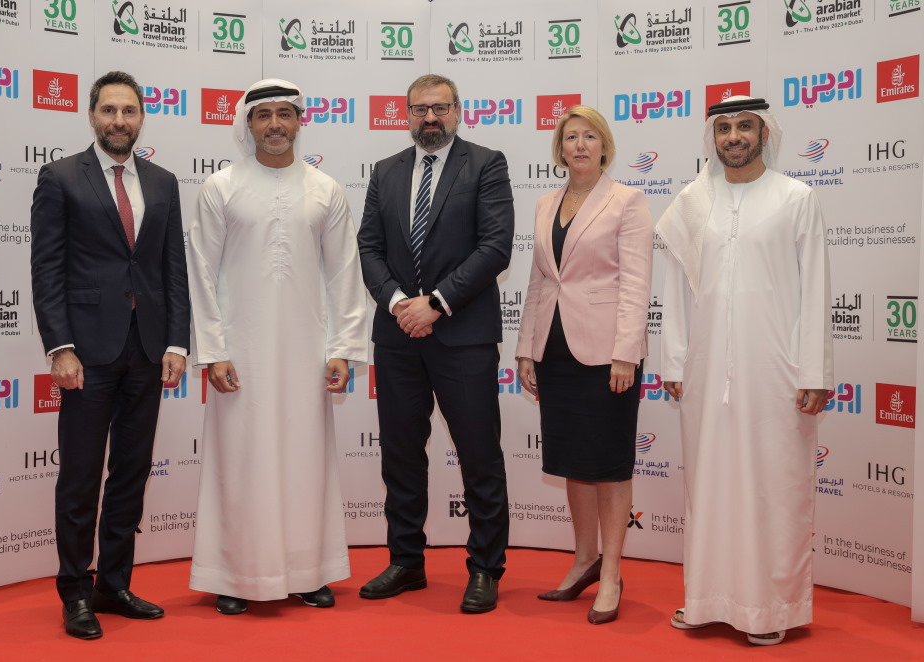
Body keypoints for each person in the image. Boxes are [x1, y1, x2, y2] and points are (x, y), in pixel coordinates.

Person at [186, 78, 368, 615]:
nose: (274, 125)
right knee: (240, 460)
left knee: (305, 460)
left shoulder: (325, 189)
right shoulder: (219, 187)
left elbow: (344, 274)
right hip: (240, 355)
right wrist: (213, 350)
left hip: (307, 352)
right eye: (263, 115)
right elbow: (201, 273)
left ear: (299, 121)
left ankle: (308, 572)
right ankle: (235, 574)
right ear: (247, 123)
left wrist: (342, 348)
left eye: (284, 114)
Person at [657, 96, 832, 646]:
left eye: (745, 127)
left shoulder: (796, 198)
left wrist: (814, 371)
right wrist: (675, 359)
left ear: (764, 134)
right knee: (708, 486)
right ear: (713, 137)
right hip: (707, 371)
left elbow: (816, 289)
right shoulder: (693, 203)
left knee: (773, 488)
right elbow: (676, 289)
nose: (734, 136)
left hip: (777, 371)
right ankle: (706, 601)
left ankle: (771, 610)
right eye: (725, 128)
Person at [30, 70, 190, 640]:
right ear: (91, 115)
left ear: (141, 117)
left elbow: (172, 268)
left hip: (147, 349)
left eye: (129, 111)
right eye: (109, 110)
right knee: (79, 476)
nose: (119, 121)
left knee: (130, 472)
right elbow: (47, 268)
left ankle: (114, 584)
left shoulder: (164, 182)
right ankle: (75, 591)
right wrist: (60, 347)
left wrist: (176, 342)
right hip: (86, 354)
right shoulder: (59, 177)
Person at [357, 74, 513, 613]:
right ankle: (406, 561)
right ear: (406, 114)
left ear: (457, 112)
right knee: (400, 455)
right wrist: (401, 303)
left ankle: (485, 568)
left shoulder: (486, 164)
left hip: (463, 336)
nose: (430, 117)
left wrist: (437, 303)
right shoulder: (385, 171)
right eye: (420, 109)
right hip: (398, 336)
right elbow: (369, 247)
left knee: (479, 455)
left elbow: (495, 247)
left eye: (440, 108)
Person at [515, 105, 653, 625]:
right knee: (574, 461)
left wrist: (626, 352)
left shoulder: (627, 201)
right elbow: (539, 280)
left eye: (589, 136)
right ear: (560, 148)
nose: (579, 145)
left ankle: (612, 572)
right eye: (571, 136)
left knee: (609, 464)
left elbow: (636, 283)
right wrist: (526, 347)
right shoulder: (546, 202)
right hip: (555, 350)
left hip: (606, 354)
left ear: (604, 146)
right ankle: (584, 561)